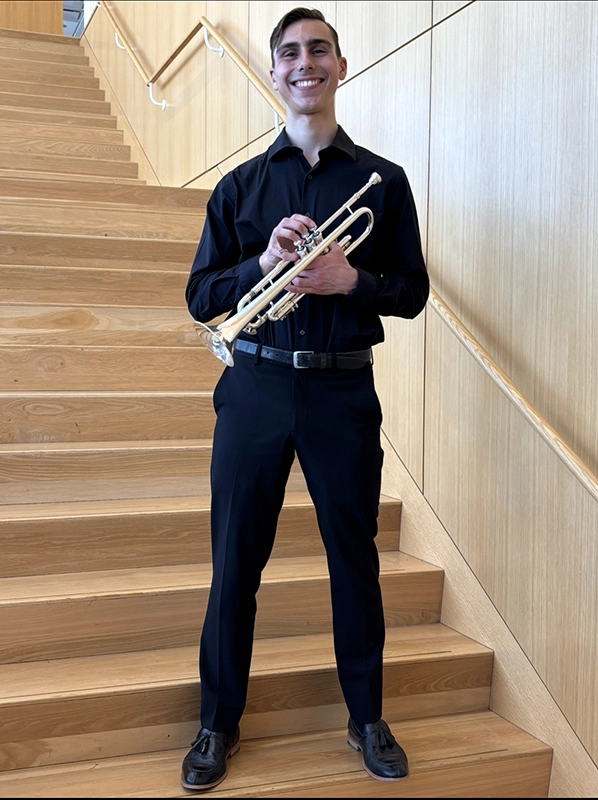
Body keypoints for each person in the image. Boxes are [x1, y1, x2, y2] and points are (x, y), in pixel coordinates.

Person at [181, 6, 429, 792]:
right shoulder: (241, 186)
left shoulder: (383, 182)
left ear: (340, 66)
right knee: (235, 561)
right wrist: (262, 265)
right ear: (273, 73)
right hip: (255, 384)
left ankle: (367, 718)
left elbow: (413, 292)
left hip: (341, 388)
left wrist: (352, 279)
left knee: (354, 559)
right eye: (288, 53)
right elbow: (200, 296)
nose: (304, 63)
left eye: (318, 50)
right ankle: (217, 722)